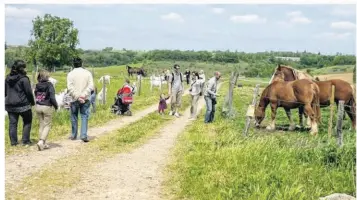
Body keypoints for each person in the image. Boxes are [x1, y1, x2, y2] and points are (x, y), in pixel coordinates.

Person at [5, 60, 35, 146]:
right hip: (23, 104)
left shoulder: (7, 78)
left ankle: (13, 143)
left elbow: (4, 92)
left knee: (12, 124)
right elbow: (29, 92)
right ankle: (25, 141)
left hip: (9, 104)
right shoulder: (24, 79)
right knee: (27, 121)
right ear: (22, 68)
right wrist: (32, 102)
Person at [67, 57, 94, 142]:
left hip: (74, 99)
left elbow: (70, 87)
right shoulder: (88, 73)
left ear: (73, 64)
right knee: (84, 116)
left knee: (74, 116)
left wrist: (77, 96)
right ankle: (83, 135)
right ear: (81, 63)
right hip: (85, 99)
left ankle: (74, 135)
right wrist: (83, 95)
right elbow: (91, 86)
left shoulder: (70, 74)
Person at [34, 69, 58, 151]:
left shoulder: (37, 85)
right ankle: (41, 141)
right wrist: (56, 106)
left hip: (38, 106)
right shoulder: (49, 85)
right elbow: (52, 97)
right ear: (47, 76)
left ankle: (42, 144)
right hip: (46, 106)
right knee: (47, 125)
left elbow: (35, 94)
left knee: (41, 125)